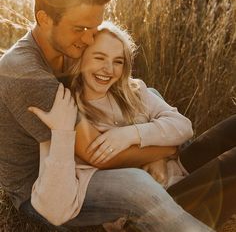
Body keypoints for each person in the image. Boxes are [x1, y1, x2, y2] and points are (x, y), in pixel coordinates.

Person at [0, 0, 214, 232]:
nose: (89, 40)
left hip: (83, 161)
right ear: (44, 19)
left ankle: (181, 175)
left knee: (147, 96)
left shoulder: (69, 49)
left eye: (94, 27)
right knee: (136, 186)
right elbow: (95, 154)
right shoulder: (24, 72)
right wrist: (163, 150)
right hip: (47, 189)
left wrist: (140, 136)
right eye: (79, 29)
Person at [30, 21, 236, 231]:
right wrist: (162, 150)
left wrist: (131, 134)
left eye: (117, 61)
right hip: (159, 206)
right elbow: (57, 201)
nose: (108, 69)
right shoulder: (69, 111)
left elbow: (183, 126)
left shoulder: (134, 90)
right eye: (99, 57)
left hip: (178, 169)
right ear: (81, 59)